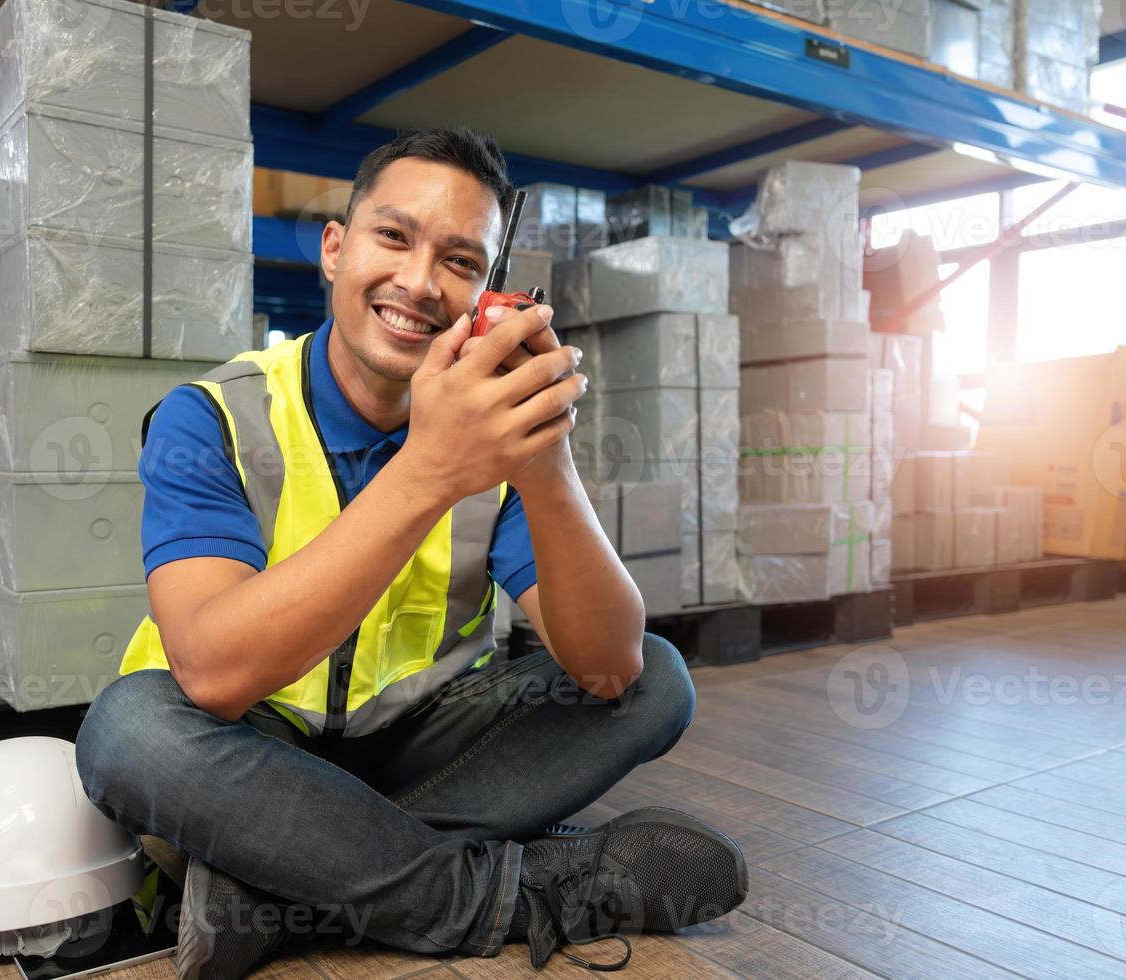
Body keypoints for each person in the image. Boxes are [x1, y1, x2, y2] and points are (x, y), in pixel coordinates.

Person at [75, 127, 746, 980]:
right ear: (334, 248)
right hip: (243, 746)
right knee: (128, 732)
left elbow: (610, 669)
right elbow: (212, 672)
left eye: (462, 262)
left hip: (416, 751)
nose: (420, 282)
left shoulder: (499, 446)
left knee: (657, 678)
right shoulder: (210, 416)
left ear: (488, 295)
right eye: (394, 237)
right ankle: (516, 893)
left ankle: (294, 886)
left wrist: (546, 466)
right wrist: (428, 470)